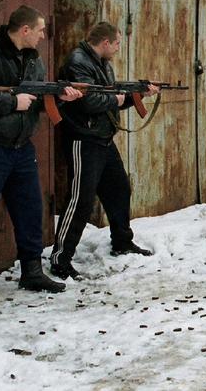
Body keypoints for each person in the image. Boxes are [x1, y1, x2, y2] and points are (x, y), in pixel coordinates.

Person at [0, 6, 83, 311]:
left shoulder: (34, 60)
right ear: (24, 30)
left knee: (31, 209)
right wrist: (12, 102)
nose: (43, 35)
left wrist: (57, 96)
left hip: (22, 147)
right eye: (40, 29)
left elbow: (34, 99)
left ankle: (32, 272)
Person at [50, 22, 159, 280]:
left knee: (119, 189)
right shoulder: (78, 62)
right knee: (80, 200)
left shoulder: (101, 63)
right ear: (106, 43)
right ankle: (60, 259)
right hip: (83, 138)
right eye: (118, 43)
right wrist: (123, 98)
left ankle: (122, 241)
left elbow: (108, 100)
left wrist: (136, 95)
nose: (119, 48)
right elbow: (90, 102)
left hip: (102, 137)